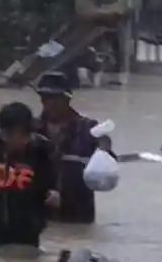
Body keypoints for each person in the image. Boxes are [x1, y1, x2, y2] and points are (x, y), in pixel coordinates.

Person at [0, 102, 60, 248]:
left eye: (30, 133)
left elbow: (52, 187)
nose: (28, 138)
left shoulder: (41, 154)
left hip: (29, 238)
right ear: (5, 134)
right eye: (23, 134)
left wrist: (55, 196)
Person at [33, 71, 113, 224]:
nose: (50, 103)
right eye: (45, 98)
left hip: (78, 213)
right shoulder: (30, 129)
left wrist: (104, 151)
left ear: (67, 98)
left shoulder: (87, 128)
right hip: (40, 214)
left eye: (55, 98)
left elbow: (104, 143)